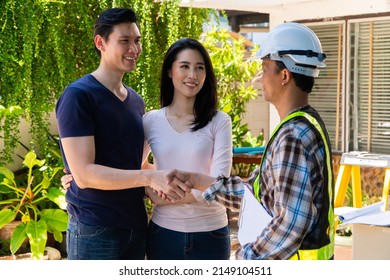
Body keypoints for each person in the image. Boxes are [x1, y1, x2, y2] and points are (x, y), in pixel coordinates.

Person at [166, 22, 334, 260]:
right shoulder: (305, 124)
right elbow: (259, 195)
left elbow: (291, 222)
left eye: (265, 68)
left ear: (284, 75)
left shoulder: (292, 137)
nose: (259, 78)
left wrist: (246, 259)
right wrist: (197, 180)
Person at [55, 7, 190, 260]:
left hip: (136, 226)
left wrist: (166, 179)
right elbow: (84, 175)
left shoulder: (136, 101)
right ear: (100, 43)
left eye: (137, 40)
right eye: (124, 41)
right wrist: (150, 179)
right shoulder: (78, 96)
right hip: (95, 228)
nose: (134, 49)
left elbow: (135, 163)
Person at [143, 38, 233, 260]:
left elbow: (218, 184)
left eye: (199, 68)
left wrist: (162, 196)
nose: (192, 75)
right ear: (170, 71)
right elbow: (135, 169)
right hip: (163, 234)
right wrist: (148, 186)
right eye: (184, 66)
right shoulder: (150, 121)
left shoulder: (220, 121)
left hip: (211, 234)